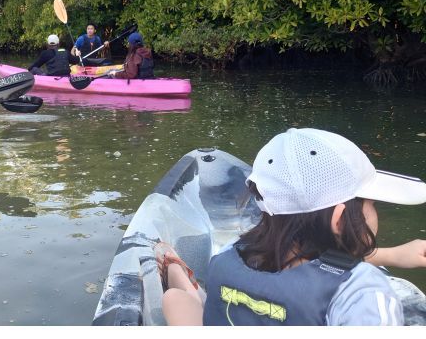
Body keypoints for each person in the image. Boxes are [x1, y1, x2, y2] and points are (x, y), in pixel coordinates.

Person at [157, 128, 426, 326]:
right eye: (372, 204)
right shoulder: (363, 291)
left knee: (174, 300)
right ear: (340, 219)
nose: (375, 213)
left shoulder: (229, 253)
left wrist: (392, 255)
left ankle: (177, 271)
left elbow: (310, 261)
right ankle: (178, 273)